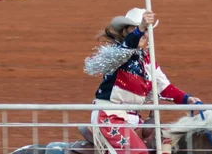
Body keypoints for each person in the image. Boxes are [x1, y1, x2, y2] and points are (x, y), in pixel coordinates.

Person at [85, 9, 200, 154]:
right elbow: (126, 49)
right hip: (110, 117)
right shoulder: (118, 52)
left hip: (133, 119)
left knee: (168, 141)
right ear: (125, 31)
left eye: (147, 29)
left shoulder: (147, 61)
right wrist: (140, 29)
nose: (144, 33)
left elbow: (164, 88)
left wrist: (187, 99)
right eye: (138, 28)